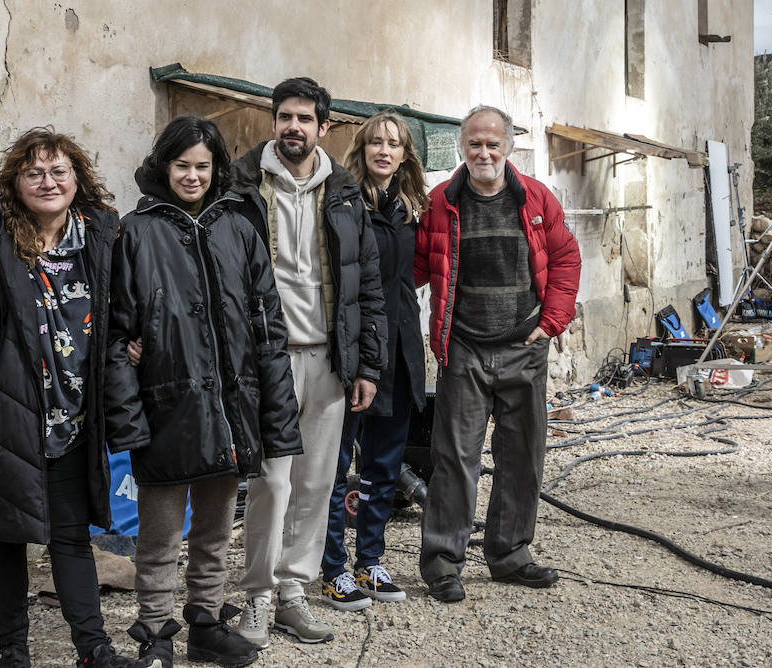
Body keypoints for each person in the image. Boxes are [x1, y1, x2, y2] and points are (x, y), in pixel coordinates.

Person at [0, 128, 146, 668]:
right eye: (34, 173)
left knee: (71, 537)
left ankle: (93, 650)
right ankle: (14, 653)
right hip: (3, 420)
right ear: (15, 182)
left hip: (72, 418)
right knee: (6, 537)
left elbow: (120, 315)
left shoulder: (99, 239)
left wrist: (130, 347)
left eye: (58, 171)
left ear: (77, 178)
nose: (48, 182)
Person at [111, 116, 303, 668]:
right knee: (159, 535)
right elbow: (118, 333)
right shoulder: (136, 232)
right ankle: (154, 632)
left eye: (202, 166)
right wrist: (128, 417)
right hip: (166, 405)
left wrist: (275, 410)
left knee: (216, 530)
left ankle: (206, 624)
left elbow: (268, 324)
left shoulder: (239, 227)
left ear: (216, 167)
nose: (192, 176)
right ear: (163, 166)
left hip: (230, 405)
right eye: (182, 165)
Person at [230, 77, 388, 647]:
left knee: (317, 483)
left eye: (304, 118)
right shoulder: (242, 183)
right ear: (274, 121)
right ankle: (258, 595)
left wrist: (367, 366)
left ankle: (293, 592)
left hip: (328, 360)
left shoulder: (344, 192)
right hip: (267, 360)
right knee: (271, 483)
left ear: (324, 127)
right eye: (284, 116)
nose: (292, 126)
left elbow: (367, 284)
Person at [414, 105, 582, 603]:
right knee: (454, 458)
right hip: (463, 349)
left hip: (523, 346)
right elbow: (414, 266)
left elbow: (565, 257)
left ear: (508, 146)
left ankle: (510, 555)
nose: (483, 153)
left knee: (522, 456)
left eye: (492, 144)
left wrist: (550, 323)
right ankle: (443, 564)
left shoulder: (536, 198)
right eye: (474, 144)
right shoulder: (440, 202)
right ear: (462, 147)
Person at [319, 112, 428, 611]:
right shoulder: (343, 203)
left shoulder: (410, 209)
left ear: (405, 155)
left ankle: (370, 561)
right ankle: (331, 567)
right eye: (376, 142)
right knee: (337, 463)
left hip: (400, 347)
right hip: (354, 347)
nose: (384, 150)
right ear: (362, 149)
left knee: (384, 463)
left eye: (394, 144)